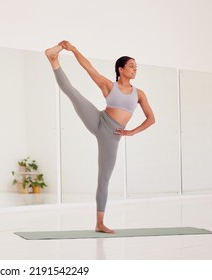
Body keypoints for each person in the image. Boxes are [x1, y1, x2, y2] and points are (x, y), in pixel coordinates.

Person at [45, 41, 155, 233]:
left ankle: (99, 223)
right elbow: (89, 68)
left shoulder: (139, 94)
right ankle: (53, 59)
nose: (134, 69)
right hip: (98, 120)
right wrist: (74, 49)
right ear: (120, 69)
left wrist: (131, 132)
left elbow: (151, 119)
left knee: (103, 179)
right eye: (131, 66)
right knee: (73, 93)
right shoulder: (108, 85)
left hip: (112, 136)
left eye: (136, 67)